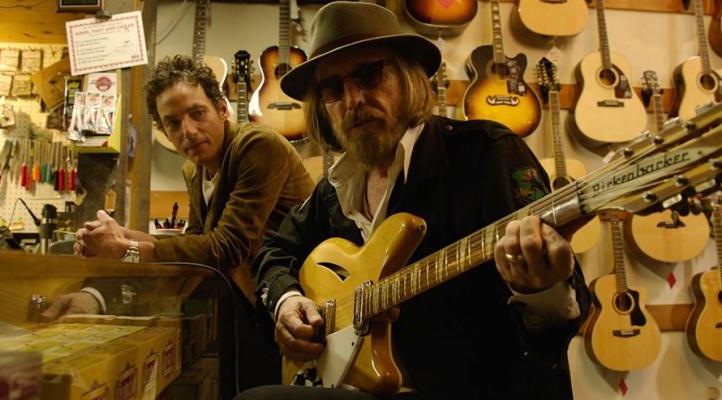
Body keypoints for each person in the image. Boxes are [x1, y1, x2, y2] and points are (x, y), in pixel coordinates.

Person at [238, 2, 591, 400]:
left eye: (369, 75)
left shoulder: (488, 155)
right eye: (333, 89)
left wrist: (542, 289)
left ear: (409, 77)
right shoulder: (336, 186)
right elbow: (274, 250)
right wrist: (287, 301)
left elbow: (562, 314)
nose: (353, 100)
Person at [41, 55, 315, 396]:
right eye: (173, 123)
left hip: (299, 300)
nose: (188, 131)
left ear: (222, 108)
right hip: (247, 302)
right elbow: (194, 245)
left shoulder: (256, 145)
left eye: (197, 113)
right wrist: (119, 239)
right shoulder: (195, 171)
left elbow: (225, 248)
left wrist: (127, 249)